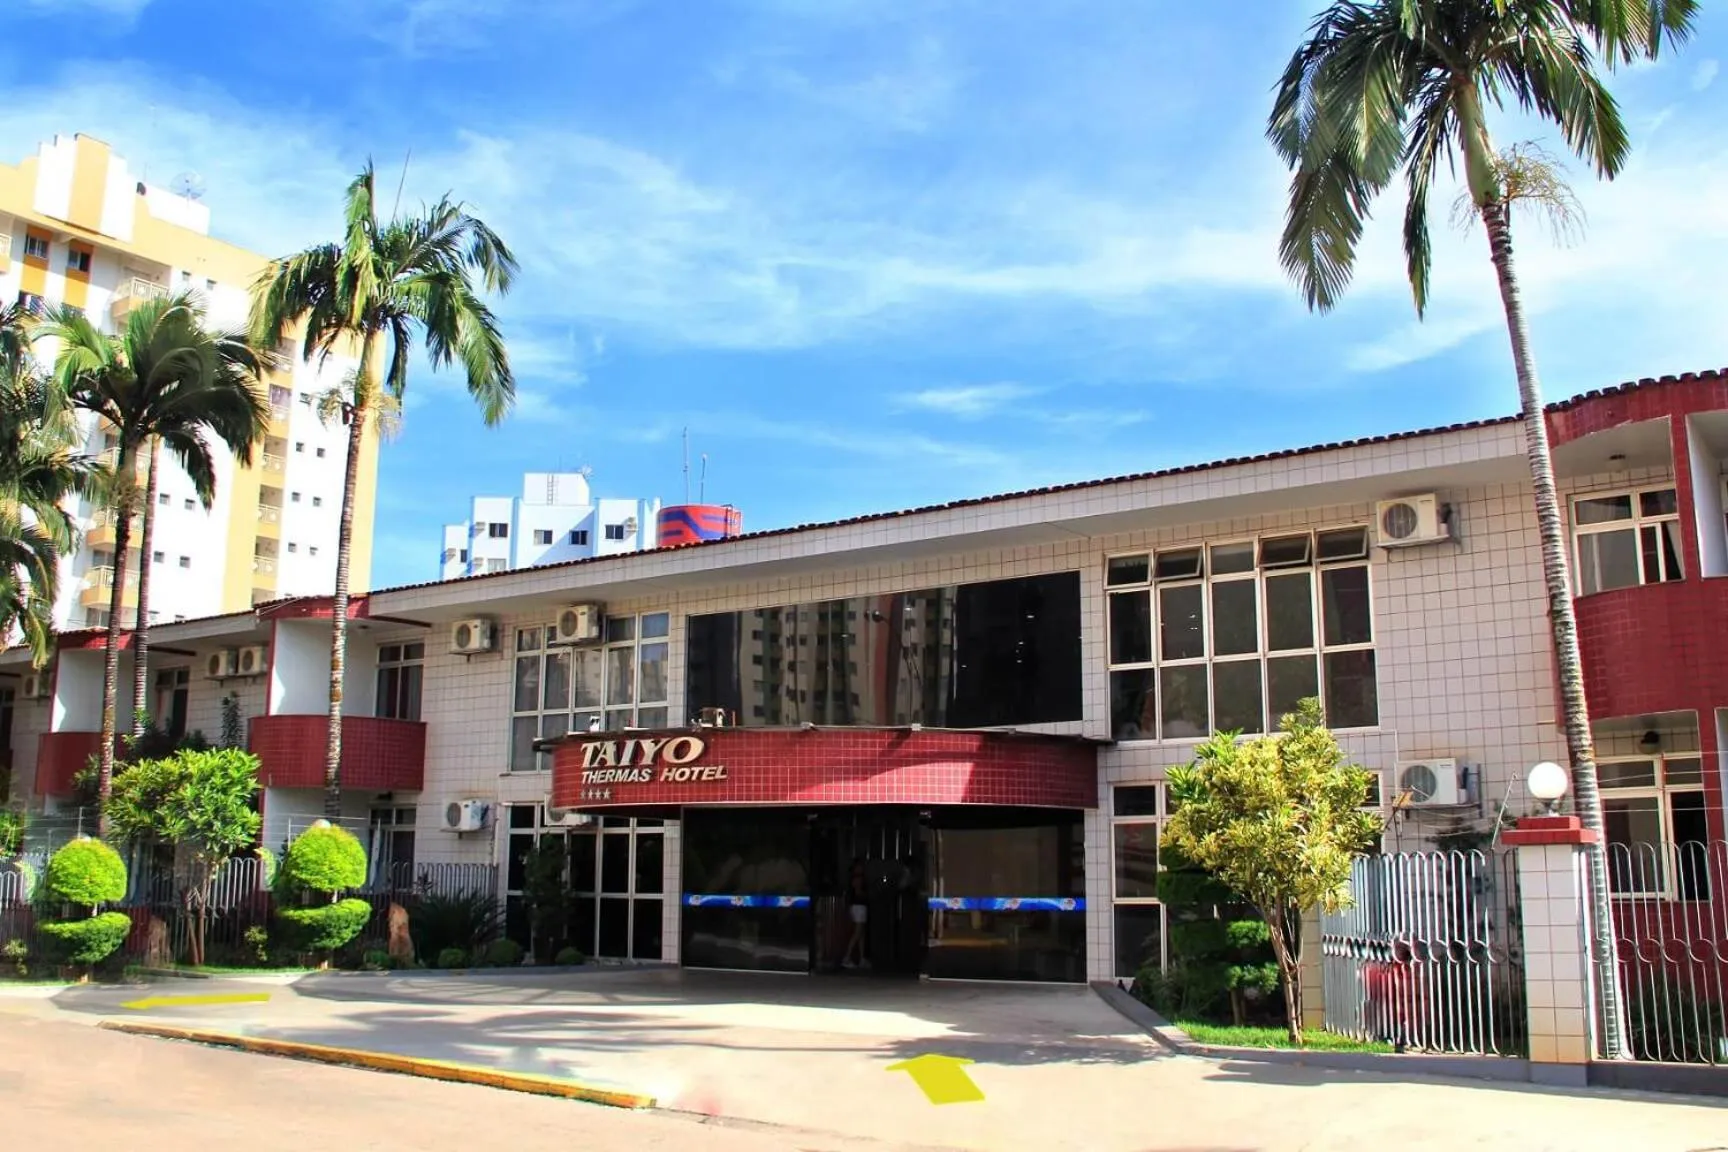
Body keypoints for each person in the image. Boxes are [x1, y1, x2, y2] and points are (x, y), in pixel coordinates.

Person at [841, 860, 870, 970]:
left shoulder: (854, 878)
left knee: (861, 933)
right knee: (858, 933)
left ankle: (862, 958)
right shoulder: (857, 878)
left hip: (859, 907)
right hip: (859, 907)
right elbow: (858, 893)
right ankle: (847, 957)